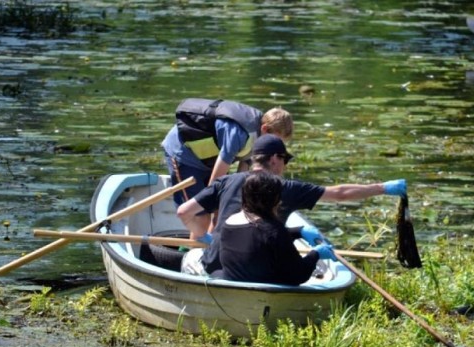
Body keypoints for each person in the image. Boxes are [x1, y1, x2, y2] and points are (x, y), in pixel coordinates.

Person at [177, 134, 407, 275]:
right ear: (275, 159)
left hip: (219, 263)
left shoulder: (225, 182)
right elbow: (340, 194)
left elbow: (184, 212)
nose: (284, 166)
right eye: (284, 160)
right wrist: (383, 187)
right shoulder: (285, 188)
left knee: (189, 258)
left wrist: (203, 237)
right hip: (264, 266)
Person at [161, 98, 293, 239]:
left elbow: (243, 176)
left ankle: (209, 249)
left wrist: (231, 208)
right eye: (276, 140)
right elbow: (216, 182)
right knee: (201, 219)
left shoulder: (261, 140)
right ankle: (192, 254)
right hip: (184, 155)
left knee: (222, 214)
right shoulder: (239, 133)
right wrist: (215, 206)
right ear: (265, 129)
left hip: (209, 159)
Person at [219, 170, 336, 285]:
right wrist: (316, 254)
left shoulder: (229, 223)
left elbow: (258, 238)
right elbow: (299, 275)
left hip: (234, 285)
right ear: (274, 199)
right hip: (268, 291)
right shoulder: (275, 231)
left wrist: (298, 232)